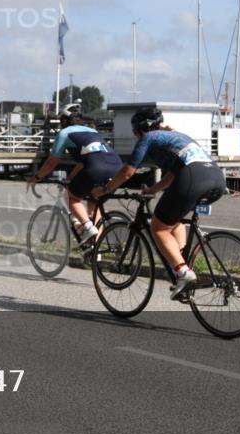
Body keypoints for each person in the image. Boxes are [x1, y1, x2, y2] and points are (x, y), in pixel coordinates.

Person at [93, 105, 226, 299]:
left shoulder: (148, 138)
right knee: (174, 220)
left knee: (158, 227)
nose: (135, 135)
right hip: (216, 178)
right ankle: (181, 263)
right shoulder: (176, 136)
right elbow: (172, 174)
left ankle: (183, 271)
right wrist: (153, 190)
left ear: (139, 129)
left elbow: (128, 172)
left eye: (134, 131)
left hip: (193, 177)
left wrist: (105, 189)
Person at [27, 103, 123, 245]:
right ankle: (97, 249)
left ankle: (88, 227)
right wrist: (71, 178)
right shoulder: (92, 131)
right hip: (117, 167)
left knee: (72, 197)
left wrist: (36, 177)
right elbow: (84, 162)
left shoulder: (65, 133)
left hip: (96, 168)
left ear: (64, 120)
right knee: (94, 204)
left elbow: (50, 163)